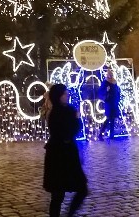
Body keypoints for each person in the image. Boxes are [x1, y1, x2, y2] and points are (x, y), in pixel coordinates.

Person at [43, 84, 87, 217]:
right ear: (58, 96)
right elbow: (67, 131)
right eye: (64, 93)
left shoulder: (66, 110)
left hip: (66, 154)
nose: (67, 95)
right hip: (60, 156)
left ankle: (69, 213)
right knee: (58, 194)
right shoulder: (59, 112)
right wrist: (76, 118)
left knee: (79, 189)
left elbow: (73, 129)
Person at [98, 70, 121, 140]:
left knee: (112, 119)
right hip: (108, 103)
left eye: (111, 74)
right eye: (109, 74)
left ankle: (111, 135)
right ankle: (100, 134)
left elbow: (117, 91)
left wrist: (118, 98)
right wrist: (106, 91)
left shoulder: (114, 82)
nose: (110, 76)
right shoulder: (105, 82)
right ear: (107, 75)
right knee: (108, 119)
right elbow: (101, 91)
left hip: (114, 102)